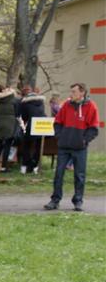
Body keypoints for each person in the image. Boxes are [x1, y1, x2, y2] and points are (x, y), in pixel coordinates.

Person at [44, 83, 100, 212]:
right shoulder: (66, 105)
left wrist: (84, 140)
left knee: (79, 175)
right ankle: (55, 200)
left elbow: (93, 128)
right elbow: (57, 122)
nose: (71, 94)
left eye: (74, 92)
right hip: (64, 147)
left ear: (82, 93)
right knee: (58, 174)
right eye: (71, 91)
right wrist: (60, 136)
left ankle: (78, 201)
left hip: (80, 148)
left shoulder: (91, 106)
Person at [18, 86, 46, 174]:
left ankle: (28, 164)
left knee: (26, 145)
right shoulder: (41, 102)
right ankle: (34, 163)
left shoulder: (25, 103)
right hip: (42, 125)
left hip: (31, 125)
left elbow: (24, 116)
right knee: (38, 147)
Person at [0, 86, 19, 173]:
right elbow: (17, 113)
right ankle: (4, 167)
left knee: (0, 145)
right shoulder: (14, 100)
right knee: (7, 145)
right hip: (10, 124)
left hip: (0, 123)